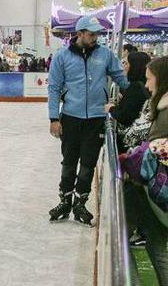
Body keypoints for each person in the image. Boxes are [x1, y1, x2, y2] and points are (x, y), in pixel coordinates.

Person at [48, 15, 129, 226]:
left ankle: (80, 203)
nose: (95, 38)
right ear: (80, 33)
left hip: (96, 118)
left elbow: (121, 78)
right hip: (71, 118)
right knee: (69, 161)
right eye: (91, 34)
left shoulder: (105, 55)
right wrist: (54, 118)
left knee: (88, 163)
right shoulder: (62, 57)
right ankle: (65, 201)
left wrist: (137, 93)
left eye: (97, 34)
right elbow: (54, 88)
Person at [126, 56, 168, 285]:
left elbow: (155, 145)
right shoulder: (159, 106)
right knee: (156, 245)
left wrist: (142, 155)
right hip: (157, 189)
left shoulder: (165, 111)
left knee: (153, 246)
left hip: (159, 190)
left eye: (150, 79)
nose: (147, 85)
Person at [104, 52, 151, 152]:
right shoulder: (145, 85)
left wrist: (111, 108)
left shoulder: (135, 88)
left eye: (126, 63)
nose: (123, 67)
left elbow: (125, 116)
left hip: (129, 145)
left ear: (134, 66)